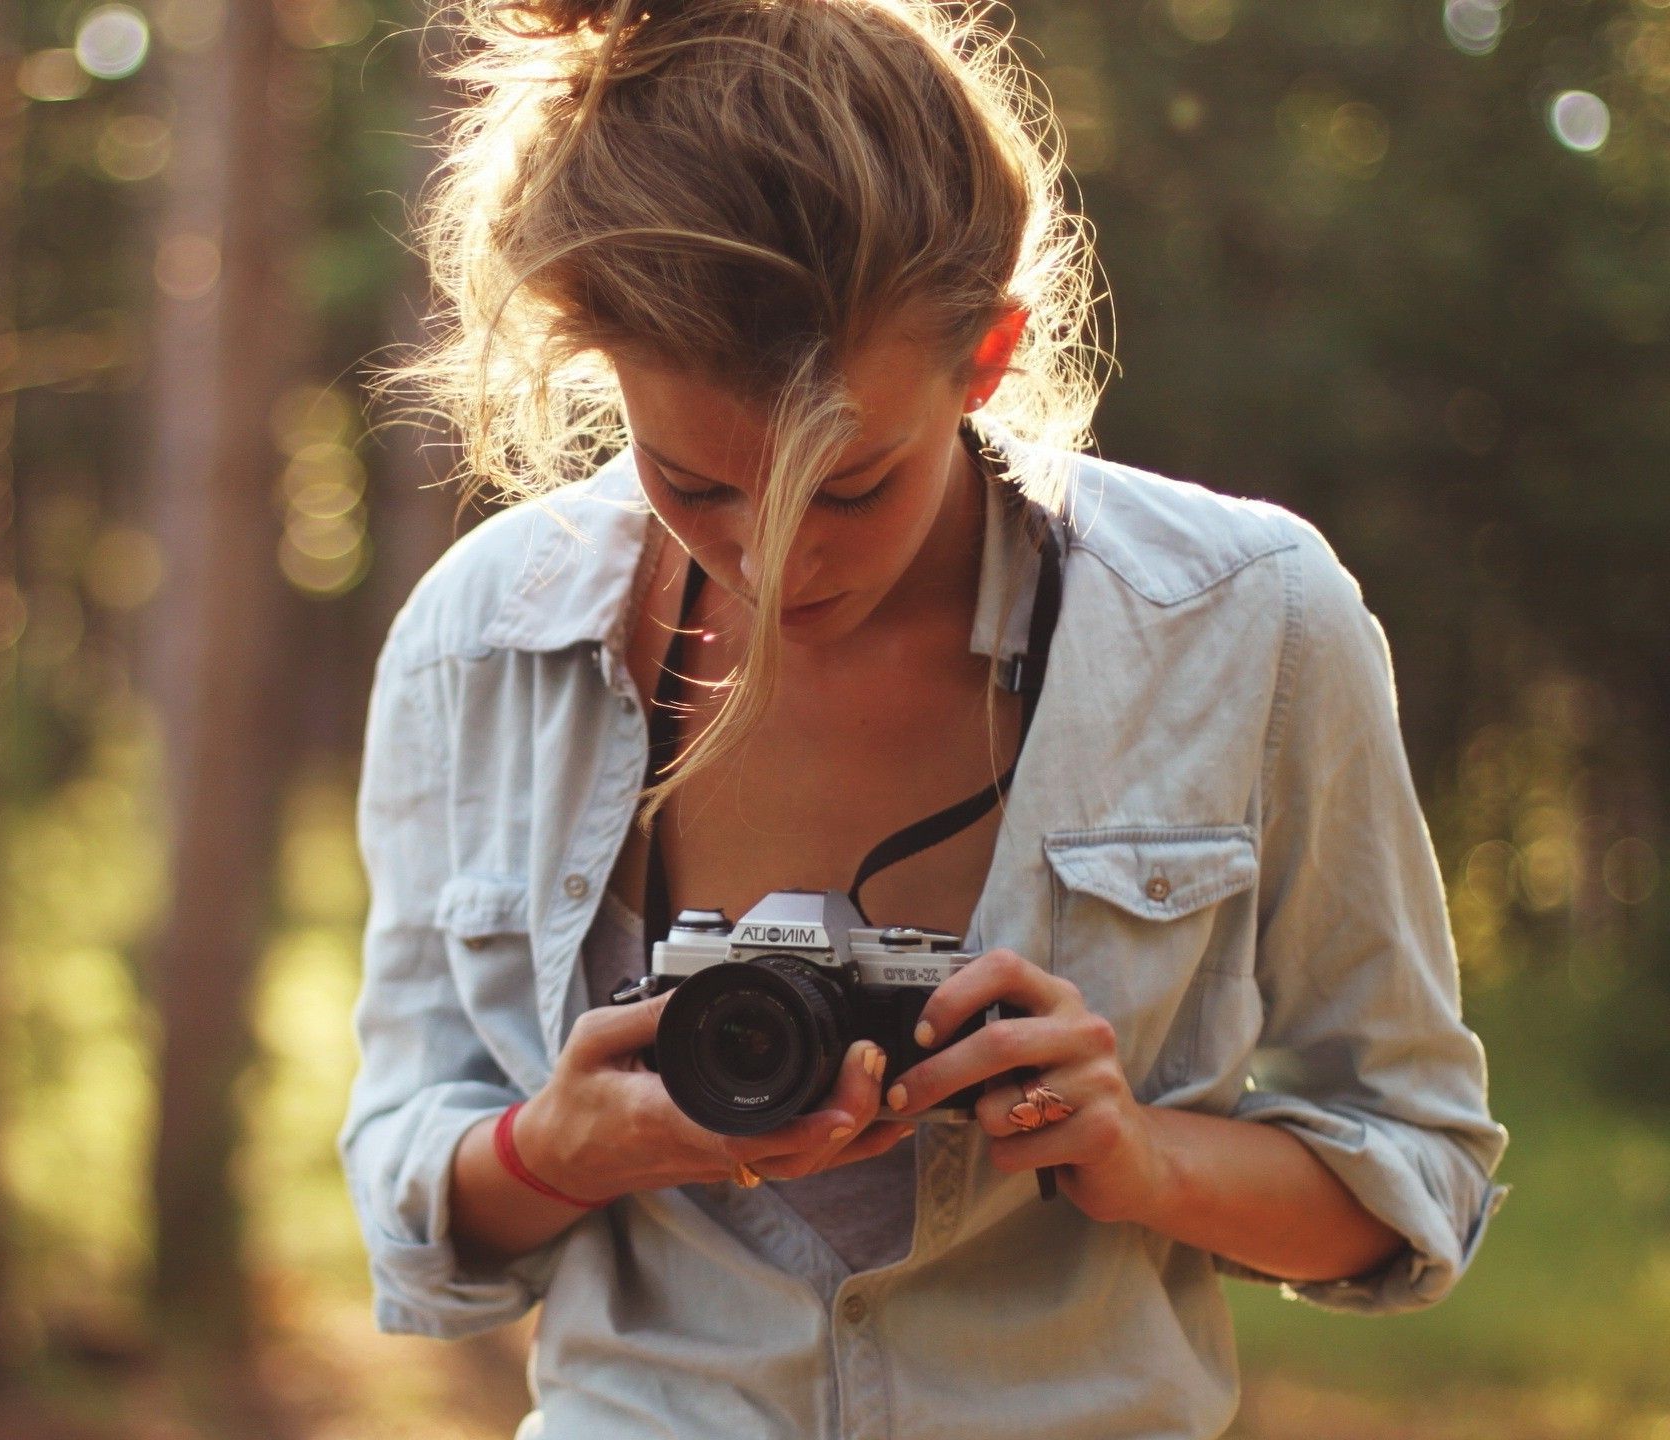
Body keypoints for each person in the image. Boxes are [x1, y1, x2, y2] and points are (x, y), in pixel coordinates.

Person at [338, 0, 1512, 1435]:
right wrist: (560, 1151)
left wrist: (1136, 1154)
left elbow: (1417, 1173)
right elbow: (409, 1182)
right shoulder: (482, 645)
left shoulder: (1247, 623)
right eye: (696, 483)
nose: (777, 568)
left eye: (849, 487)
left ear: (991, 353)